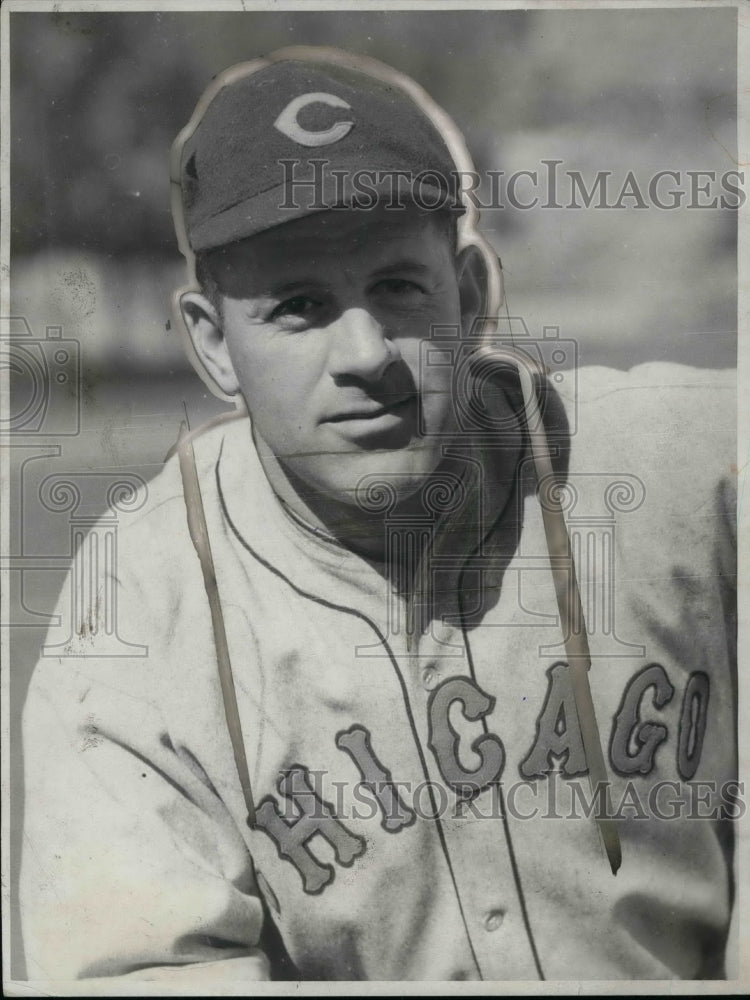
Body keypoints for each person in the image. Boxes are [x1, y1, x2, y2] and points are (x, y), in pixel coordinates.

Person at [20, 46, 737, 984]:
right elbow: (144, 970)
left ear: (471, 297)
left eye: (397, 288)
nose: (364, 353)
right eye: (299, 306)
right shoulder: (138, 608)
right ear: (213, 345)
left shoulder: (688, 464)